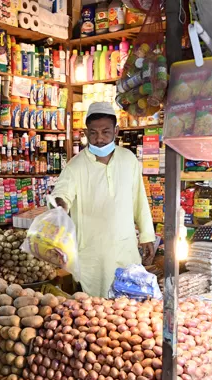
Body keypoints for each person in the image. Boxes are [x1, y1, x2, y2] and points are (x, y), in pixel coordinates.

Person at [50, 102, 156, 297]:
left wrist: (147, 236)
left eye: (105, 132)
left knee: (129, 309)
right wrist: (61, 206)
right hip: (92, 255)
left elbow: (139, 200)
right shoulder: (75, 166)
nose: (99, 138)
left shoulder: (129, 159)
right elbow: (61, 193)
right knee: (96, 312)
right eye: (93, 133)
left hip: (126, 249)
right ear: (85, 132)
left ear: (116, 131)